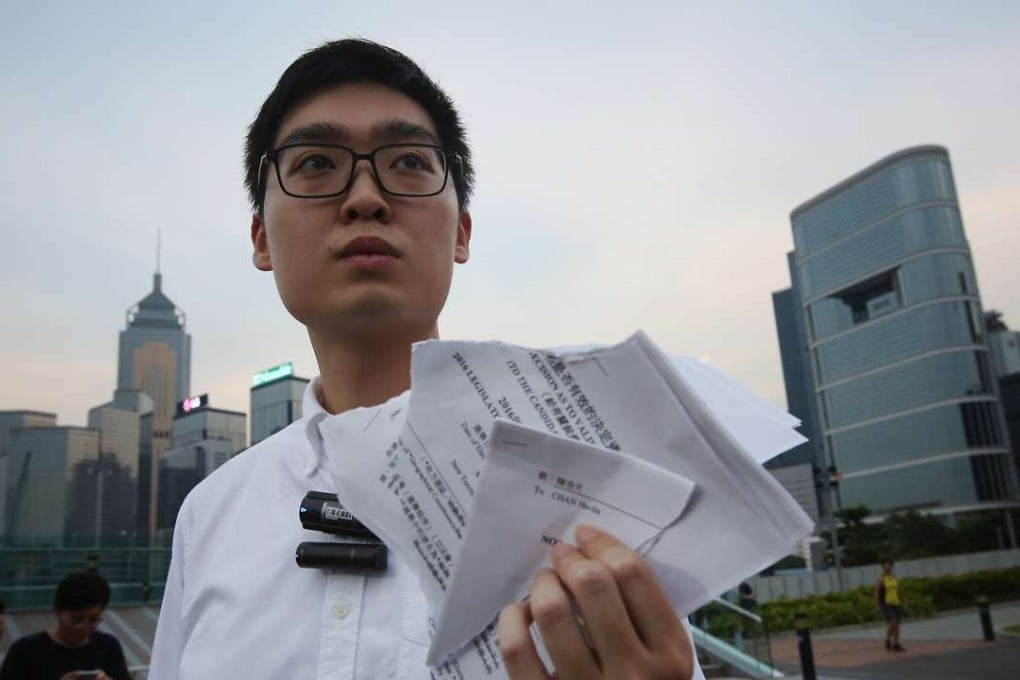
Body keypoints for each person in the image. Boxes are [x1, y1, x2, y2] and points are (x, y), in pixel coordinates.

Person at [150, 38, 701, 679]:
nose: (364, 198)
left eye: (409, 161)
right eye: (316, 163)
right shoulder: (211, 515)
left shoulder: (586, 492)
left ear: (461, 230)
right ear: (261, 238)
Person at [0, 572, 130, 680]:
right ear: (58, 611)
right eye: (77, 620)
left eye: (93, 619)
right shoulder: (25, 651)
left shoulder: (108, 646)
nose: (84, 627)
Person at [874, 560, 906, 652]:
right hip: (886, 603)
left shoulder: (894, 578)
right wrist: (877, 604)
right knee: (893, 622)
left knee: (897, 624)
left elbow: (899, 590)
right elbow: (876, 592)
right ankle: (888, 638)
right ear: (883, 568)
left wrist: (903, 602)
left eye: (889, 566)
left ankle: (896, 643)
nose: (888, 568)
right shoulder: (881, 579)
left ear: (891, 567)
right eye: (886, 566)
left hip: (896, 602)